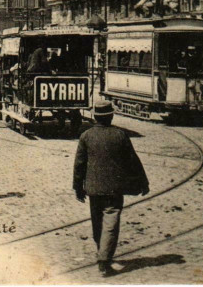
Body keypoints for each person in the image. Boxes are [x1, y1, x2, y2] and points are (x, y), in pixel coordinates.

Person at [73, 100, 150, 277]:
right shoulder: (120, 135)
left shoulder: (86, 136)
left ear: (94, 116)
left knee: (97, 222)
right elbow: (133, 161)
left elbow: (79, 164)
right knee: (111, 223)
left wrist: (78, 187)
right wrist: (143, 183)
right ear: (111, 116)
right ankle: (104, 260)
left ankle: (102, 252)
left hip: (93, 188)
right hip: (114, 188)